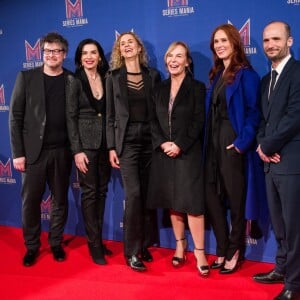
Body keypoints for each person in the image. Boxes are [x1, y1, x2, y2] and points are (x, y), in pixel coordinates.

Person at [9, 32, 78, 266]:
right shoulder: (27, 78)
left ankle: (56, 243)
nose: (51, 55)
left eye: (56, 51)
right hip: (33, 154)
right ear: (42, 53)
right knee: (31, 202)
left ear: (64, 54)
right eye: (47, 51)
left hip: (62, 152)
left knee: (60, 201)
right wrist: (18, 153)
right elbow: (15, 117)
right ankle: (32, 246)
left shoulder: (71, 80)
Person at [147, 41, 209, 277]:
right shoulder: (158, 89)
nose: (173, 60)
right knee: (173, 201)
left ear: (187, 61)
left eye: (179, 56)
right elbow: (152, 121)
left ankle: (200, 252)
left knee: (192, 202)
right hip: (164, 153)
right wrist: (163, 143)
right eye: (170, 55)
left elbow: (198, 121)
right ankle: (180, 244)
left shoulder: (197, 87)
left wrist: (180, 145)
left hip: (187, 153)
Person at [204, 24, 262, 274]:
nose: (219, 45)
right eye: (216, 41)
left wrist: (241, 143)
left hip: (232, 141)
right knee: (212, 196)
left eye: (224, 40)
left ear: (235, 43)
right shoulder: (217, 73)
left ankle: (235, 249)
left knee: (236, 200)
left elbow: (253, 113)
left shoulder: (247, 74)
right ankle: (222, 246)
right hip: (213, 141)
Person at [253, 21, 300, 300]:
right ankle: (281, 269)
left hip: (292, 162)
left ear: (289, 41)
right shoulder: (264, 80)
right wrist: (262, 146)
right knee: (280, 225)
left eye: (276, 39)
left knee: (295, 228)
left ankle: (294, 285)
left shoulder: (298, 73)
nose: (271, 44)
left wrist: (268, 145)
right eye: (266, 40)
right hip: (270, 162)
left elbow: (295, 116)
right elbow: (264, 120)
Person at [106, 32, 160, 271]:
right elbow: (109, 115)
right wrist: (111, 146)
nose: (126, 46)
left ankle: (145, 245)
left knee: (148, 194)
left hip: (150, 141)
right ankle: (131, 252)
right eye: (122, 43)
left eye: (131, 42)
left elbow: (159, 111)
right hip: (126, 142)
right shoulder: (113, 77)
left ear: (139, 48)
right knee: (135, 194)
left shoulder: (153, 76)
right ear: (120, 51)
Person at [66, 39, 112, 265]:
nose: (89, 56)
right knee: (90, 193)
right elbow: (70, 117)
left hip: (105, 145)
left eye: (93, 52)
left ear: (100, 56)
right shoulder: (74, 81)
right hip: (85, 147)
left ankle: (99, 240)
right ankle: (94, 245)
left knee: (101, 192)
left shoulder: (106, 77)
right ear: (80, 57)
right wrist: (77, 150)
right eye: (85, 53)